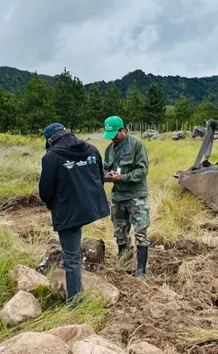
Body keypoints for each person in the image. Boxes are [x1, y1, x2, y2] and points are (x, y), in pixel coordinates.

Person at [38, 122, 110, 304]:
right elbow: (99, 178)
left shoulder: (51, 157)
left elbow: (45, 191)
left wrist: (54, 205)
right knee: (74, 251)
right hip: (91, 207)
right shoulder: (92, 149)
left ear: (50, 140)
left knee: (70, 257)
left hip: (68, 210)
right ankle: (76, 296)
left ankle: (75, 302)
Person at [102, 115, 150, 278]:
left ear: (122, 130)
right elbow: (105, 167)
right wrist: (106, 176)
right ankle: (125, 266)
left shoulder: (137, 145)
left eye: (115, 134)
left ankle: (141, 272)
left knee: (140, 233)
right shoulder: (109, 149)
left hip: (136, 196)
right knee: (120, 233)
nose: (113, 138)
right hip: (118, 197)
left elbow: (142, 171)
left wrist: (122, 178)